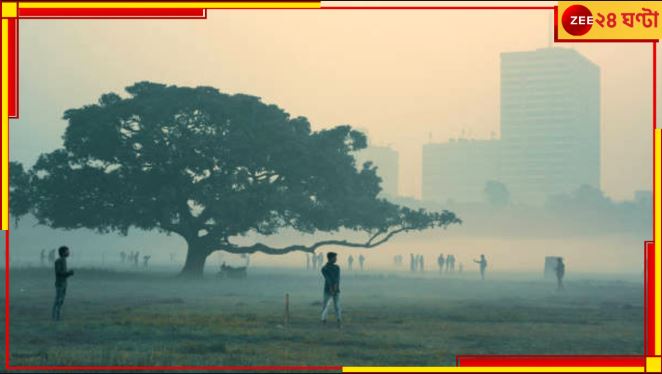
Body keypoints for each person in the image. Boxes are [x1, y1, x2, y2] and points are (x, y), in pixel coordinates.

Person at [52, 246, 74, 321]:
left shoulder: (64, 260)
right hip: (60, 284)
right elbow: (58, 272)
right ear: (63, 252)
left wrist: (68, 274)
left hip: (64, 283)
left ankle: (57, 316)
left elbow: (62, 273)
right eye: (67, 251)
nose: (69, 253)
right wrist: (68, 273)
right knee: (58, 300)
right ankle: (55, 316)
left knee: (61, 300)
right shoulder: (58, 261)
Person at [321, 252, 341, 327]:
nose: (336, 259)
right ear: (331, 258)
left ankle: (338, 319)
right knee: (326, 305)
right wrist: (332, 288)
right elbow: (328, 279)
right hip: (328, 289)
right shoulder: (324, 268)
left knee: (336, 305)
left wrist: (335, 287)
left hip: (334, 288)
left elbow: (337, 278)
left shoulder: (337, 267)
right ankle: (324, 319)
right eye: (335, 258)